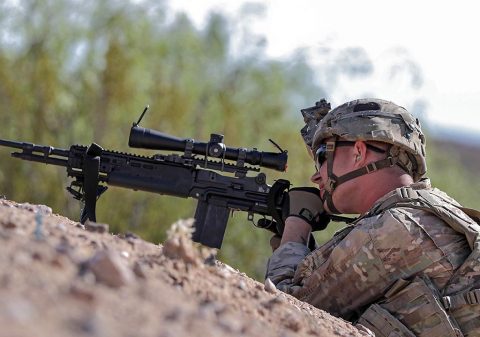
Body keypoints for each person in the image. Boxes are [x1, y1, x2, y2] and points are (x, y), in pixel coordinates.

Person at [266, 98, 480, 337]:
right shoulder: (436, 214)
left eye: (322, 156)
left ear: (359, 152)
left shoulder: (396, 229)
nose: (316, 177)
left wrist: (297, 223)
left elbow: (284, 305)